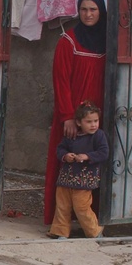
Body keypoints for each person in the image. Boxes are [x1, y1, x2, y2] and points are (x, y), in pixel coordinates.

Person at [43, 0, 107, 226]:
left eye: (93, 9)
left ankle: (92, 217)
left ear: (101, 11)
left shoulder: (109, 41)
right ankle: (61, 220)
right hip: (73, 116)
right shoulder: (67, 41)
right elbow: (61, 82)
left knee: (94, 159)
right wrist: (68, 117)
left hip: (98, 116)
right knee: (68, 164)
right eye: (83, 9)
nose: (88, 14)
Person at [49, 101, 108, 239]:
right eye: (89, 121)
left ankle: (95, 231)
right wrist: (65, 156)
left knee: (82, 207)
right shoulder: (72, 135)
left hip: (84, 180)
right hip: (66, 178)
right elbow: (60, 149)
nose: (93, 125)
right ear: (79, 122)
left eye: (96, 121)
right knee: (62, 206)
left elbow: (104, 153)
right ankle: (60, 232)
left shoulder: (99, 135)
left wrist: (87, 156)